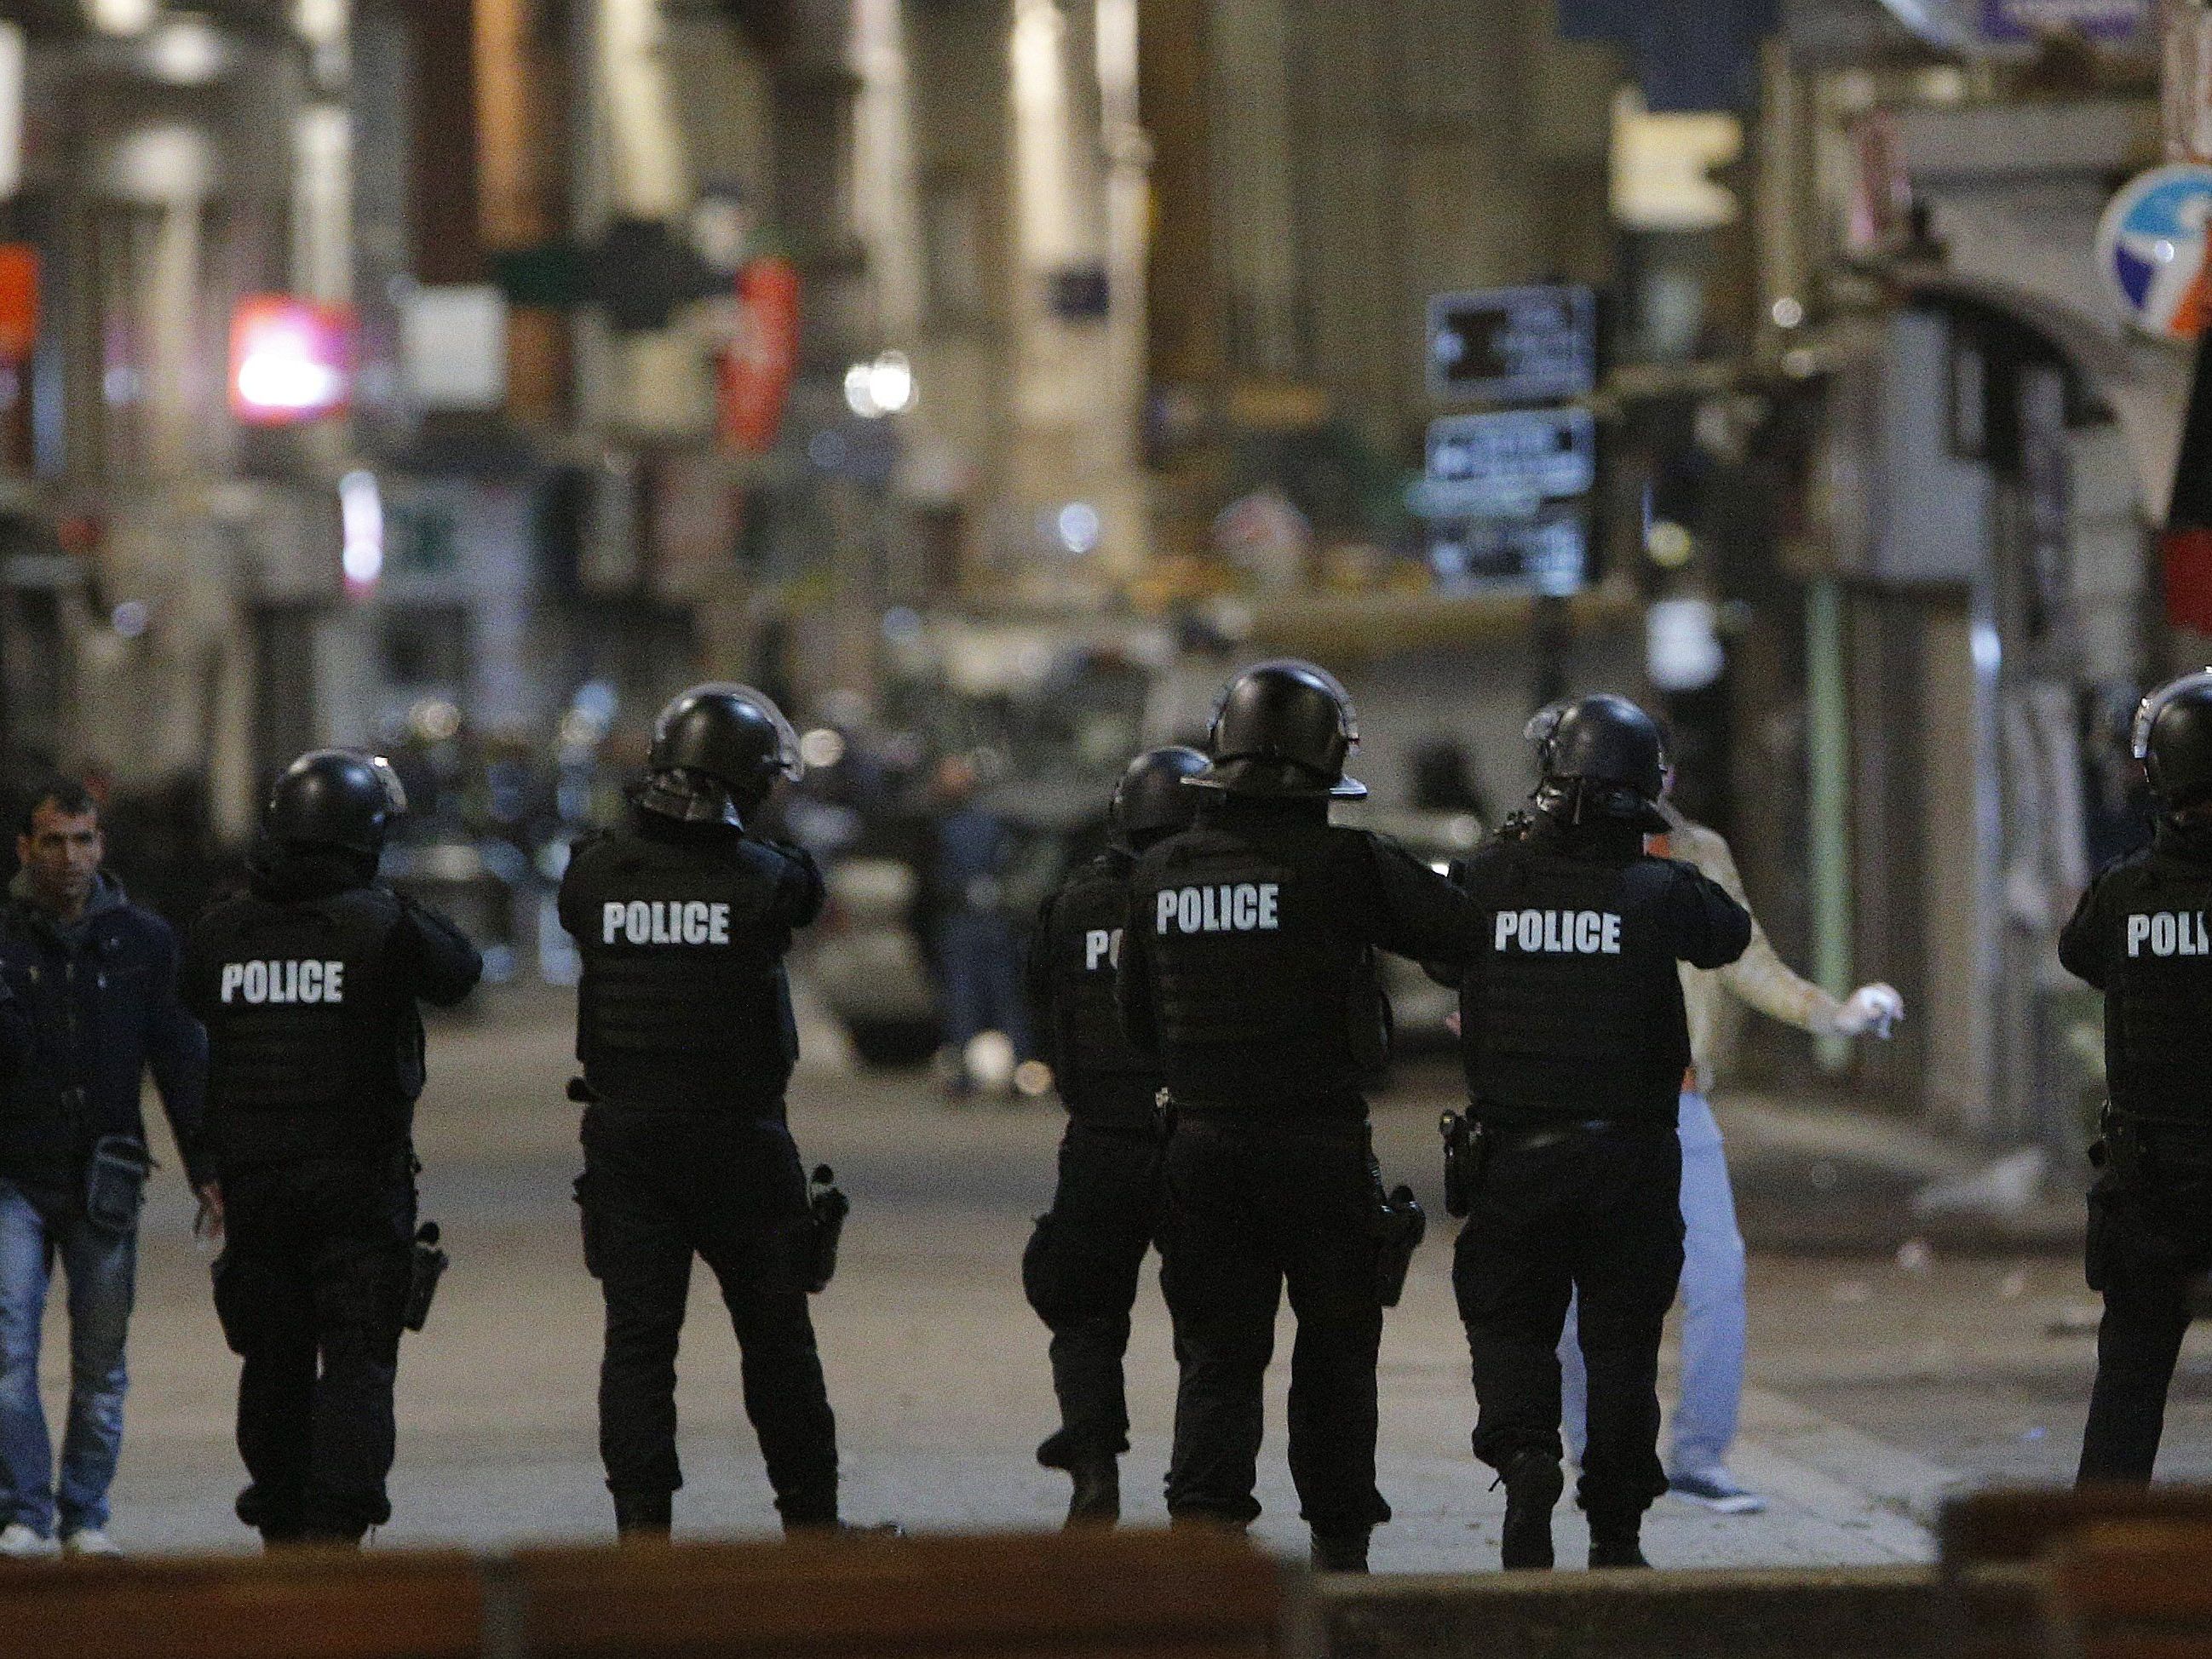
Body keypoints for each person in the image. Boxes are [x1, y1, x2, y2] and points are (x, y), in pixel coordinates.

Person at [1117, 660, 1480, 1573]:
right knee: (1334, 1352)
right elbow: (1459, 933)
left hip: (1199, 1145)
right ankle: (1338, 1544)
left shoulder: (1160, 871)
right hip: (1316, 1146)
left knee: (1216, 1357)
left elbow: (1135, 1022)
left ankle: (1203, 1546)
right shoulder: (1346, 862)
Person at [1534, 722, 1904, 1515]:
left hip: (1675, 1098)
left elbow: (1744, 959)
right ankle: (1589, 1448)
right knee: (1566, 1290)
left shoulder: (1695, 851)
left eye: (1659, 769)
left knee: (1715, 1278)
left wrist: (1831, 1016)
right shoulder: (1537, 855)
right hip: (1571, 1099)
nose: (1653, 787)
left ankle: (1699, 1456)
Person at [1439, 695, 1749, 1571]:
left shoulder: (1491, 878)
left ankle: (1525, 1453)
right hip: (1629, 1160)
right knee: (1620, 1346)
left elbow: (1436, 950)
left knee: (1509, 1324)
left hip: (1514, 1155)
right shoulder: (1655, 887)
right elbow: (1724, 934)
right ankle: (1614, 1530)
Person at [558, 683, 855, 1537]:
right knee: (776, 1341)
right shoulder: (763, 879)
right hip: (739, 1141)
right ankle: (811, 1523)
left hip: (627, 1139)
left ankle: (642, 1534)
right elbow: (805, 886)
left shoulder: (593, 874)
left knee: (639, 1346)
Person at [184, 751, 481, 1547]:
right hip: (357, 1182)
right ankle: (338, 1535)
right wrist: (384, 901)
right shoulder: (378, 925)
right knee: (357, 1361)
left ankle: (281, 1525)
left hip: (257, 1183)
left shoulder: (223, 928)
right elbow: (460, 971)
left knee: (273, 1360)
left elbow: (194, 998)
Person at [1023, 744, 1207, 1527]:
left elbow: (1047, 1016)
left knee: (1084, 1311)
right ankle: (1201, 1499)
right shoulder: (1205, 899)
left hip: (1102, 1138)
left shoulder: (1072, 906)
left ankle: (1092, 1467)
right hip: (1195, 1138)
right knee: (1209, 1333)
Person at [0, 779, 175, 1559]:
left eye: (84, 840)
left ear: (101, 846)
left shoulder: (141, 940)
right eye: (54, 841)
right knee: (9, 1356)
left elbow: (178, 1054)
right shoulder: (4, 941)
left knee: (101, 1363)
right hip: (13, 1178)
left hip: (104, 1180)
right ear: (26, 849)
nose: (70, 857)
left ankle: (85, 1517)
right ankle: (25, 1514)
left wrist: (208, 1164)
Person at [2062, 669, 2212, 1484]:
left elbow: (2079, 955)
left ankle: (2098, 1566)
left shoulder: (2124, 893)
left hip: (2151, 1185)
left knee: (2128, 1389)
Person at [923, 756, 1033, 1098]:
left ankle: (999, 1073)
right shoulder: (986, 825)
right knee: (976, 1000)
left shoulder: (964, 826)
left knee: (977, 999)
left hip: (977, 925)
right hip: (974, 924)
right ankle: (1007, 1073)